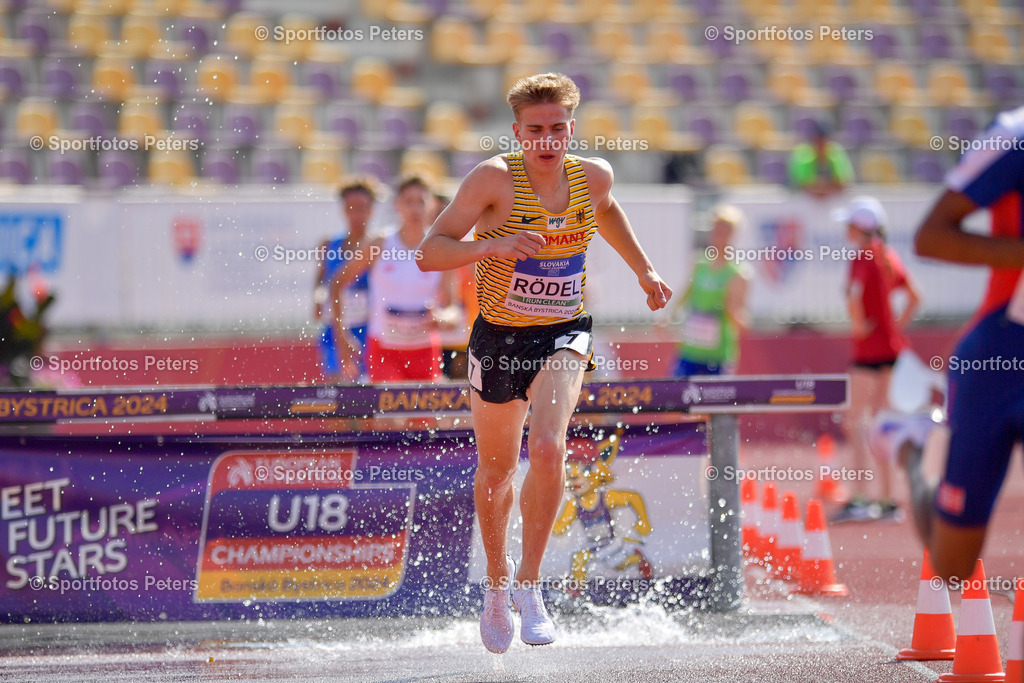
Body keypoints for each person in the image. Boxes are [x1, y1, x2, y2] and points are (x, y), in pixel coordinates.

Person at [417, 73, 671, 653]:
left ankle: (531, 585)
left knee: (550, 446)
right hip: (498, 337)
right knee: (498, 469)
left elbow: (607, 214)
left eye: (558, 128)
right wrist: (491, 246)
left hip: (564, 332)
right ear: (517, 132)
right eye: (535, 130)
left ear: (571, 129)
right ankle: (497, 586)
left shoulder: (593, 176)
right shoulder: (493, 180)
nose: (547, 140)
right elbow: (430, 251)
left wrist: (644, 269)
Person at [887, 106, 1024, 584]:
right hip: (1000, 358)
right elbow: (930, 237)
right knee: (952, 567)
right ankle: (913, 454)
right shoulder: (1015, 135)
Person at [831, 197, 921, 524]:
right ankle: (887, 498)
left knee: (854, 422)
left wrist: (858, 326)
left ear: (860, 227)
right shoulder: (887, 255)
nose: (845, 229)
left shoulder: (862, 256)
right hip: (892, 352)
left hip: (869, 352)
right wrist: (895, 327)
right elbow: (915, 296)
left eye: (849, 224)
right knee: (880, 424)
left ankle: (859, 497)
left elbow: (853, 296)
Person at [331, 175, 451, 383]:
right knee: (389, 415)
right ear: (397, 206)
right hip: (384, 348)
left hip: (424, 350)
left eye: (421, 202)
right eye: (408, 202)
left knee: (426, 417)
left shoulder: (442, 248)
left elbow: (453, 308)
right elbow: (337, 284)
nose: (415, 209)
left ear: (432, 206)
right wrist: (341, 338)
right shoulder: (379, 244)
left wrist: (443, 318)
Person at [665, 204, 749, 376]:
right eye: (715, 228)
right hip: (690, 351)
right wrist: (668, 317)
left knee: (716, 401)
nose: (718, 234)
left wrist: (732, 311)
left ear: (733, 234)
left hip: (718, 356)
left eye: (724, 229)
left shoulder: (739, 274)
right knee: (673, 398)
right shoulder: (699, 264)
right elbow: (685, 294)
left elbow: (742, 322)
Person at [314, 178, 376, 383]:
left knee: (369, 400)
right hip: (336, 327)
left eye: (362, 208)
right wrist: (317, 299)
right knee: (338, 397)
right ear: (343, 210)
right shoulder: (329, 244)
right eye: (351, 208)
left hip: (370, 330)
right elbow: (321, 282)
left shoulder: (379, 247)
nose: (357, 214)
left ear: (371, 210)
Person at [788, 120, 854, 199]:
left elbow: (844, 182)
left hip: (832, 200)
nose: (821, 144)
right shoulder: (803, 154)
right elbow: (799, 183)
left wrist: (826, 190)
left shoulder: (836, 152)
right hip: (807, 200)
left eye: (823, 140)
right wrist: (817, 190)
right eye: (818, 140)